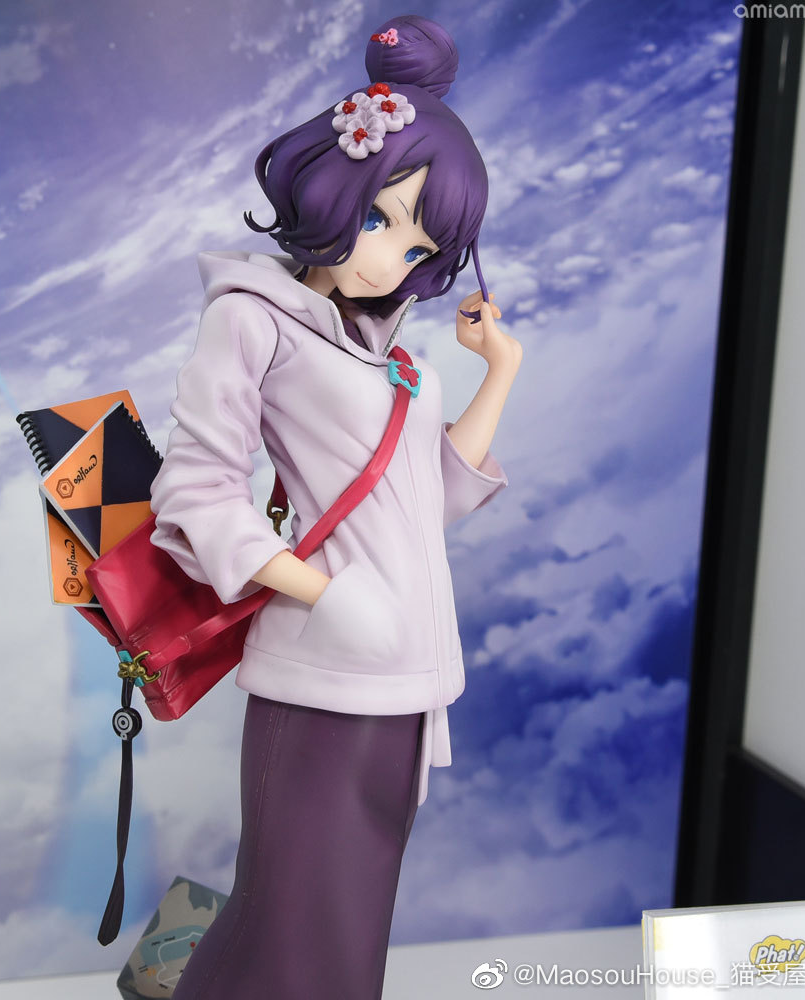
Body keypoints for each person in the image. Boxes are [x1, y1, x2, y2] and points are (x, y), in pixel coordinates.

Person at [151, 15, 522, 1000]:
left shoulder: (389, 350)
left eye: (419, 243)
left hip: (405, 680)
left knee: (341, 936)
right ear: (335, 182)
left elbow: (428, 503)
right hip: (322, 676)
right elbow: (194, 491)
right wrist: (324, 593)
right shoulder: (251, 318)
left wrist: (498, 374)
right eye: (382, 219)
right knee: (304, 936)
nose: (390, 259)